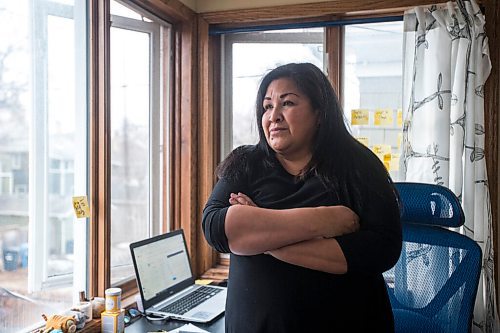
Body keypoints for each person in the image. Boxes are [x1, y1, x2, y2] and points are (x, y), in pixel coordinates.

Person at [202, 63, 402, 332]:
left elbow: (382, 250)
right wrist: (325, 220)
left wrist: (259, 233)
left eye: (287, 103)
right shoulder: (246, 162)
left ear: (320, 112)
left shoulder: (358, 165)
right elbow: (216, 229)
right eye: (267, 106)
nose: (273, 116)